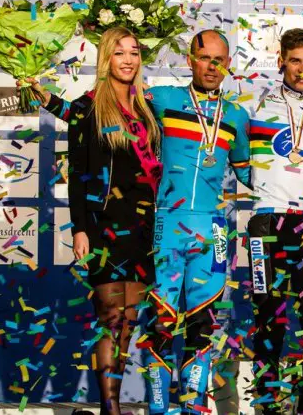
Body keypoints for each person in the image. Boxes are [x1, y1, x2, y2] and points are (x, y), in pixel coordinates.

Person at [25, 29, 250, 414]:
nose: (211, 66)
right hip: (162, 226)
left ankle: (195, 406)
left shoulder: (238, 115)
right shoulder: (158, 99)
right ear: (189, 60)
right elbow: (90, 111)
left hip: (210, 229)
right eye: (203, 57)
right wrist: (47, 97)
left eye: (219, 59)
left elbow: (255, 174)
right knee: (152, 321)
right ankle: (157, 406)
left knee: (203, 322)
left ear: (229, 64)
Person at [61, 27, 161, 415]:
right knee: (110, 316)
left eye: (134, 52)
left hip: (141, 228)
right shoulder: (87, 108)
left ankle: (108, 407)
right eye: (119, 53)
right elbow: (78, 175)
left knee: (129, 321)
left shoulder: (148, 110)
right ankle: (111, 407)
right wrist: (80, 228)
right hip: (103, 225)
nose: (128, 60)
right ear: (106, 59)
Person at [245, 28, 303, 414]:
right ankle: (266, 406)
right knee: (268, 319)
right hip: (264, 223)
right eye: (295, 60)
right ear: (281, 59)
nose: (302, 69)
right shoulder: (253, 103)